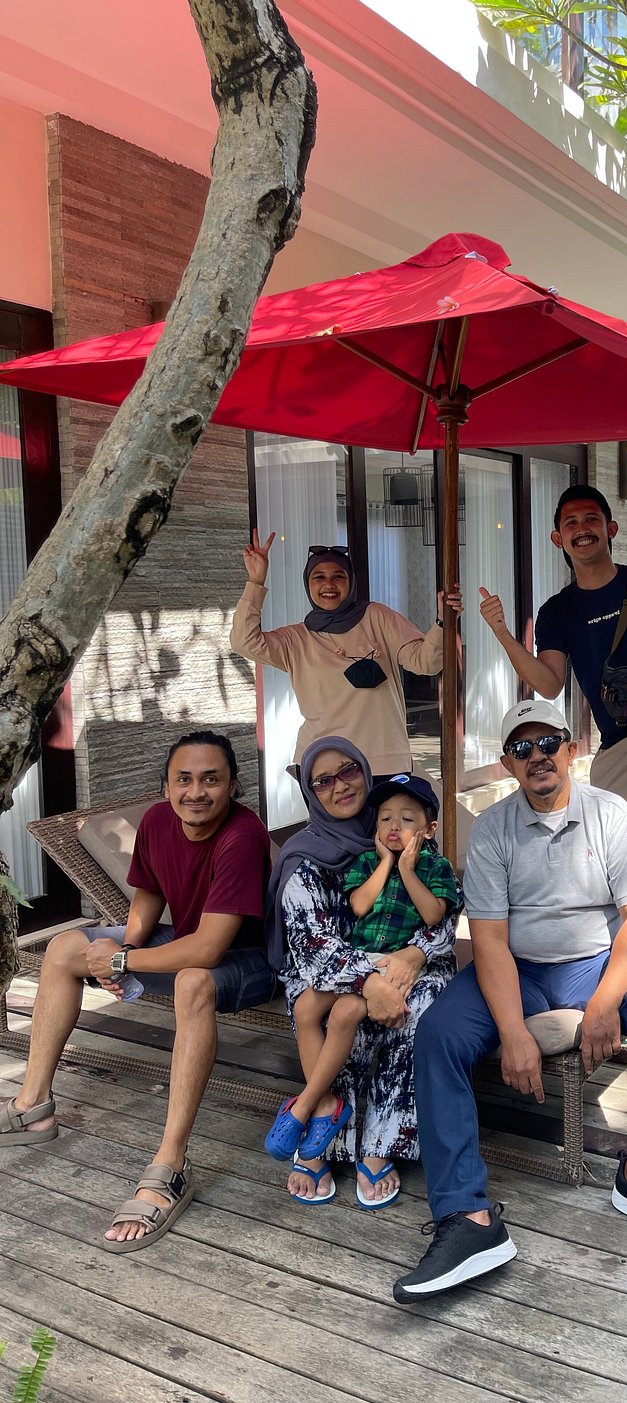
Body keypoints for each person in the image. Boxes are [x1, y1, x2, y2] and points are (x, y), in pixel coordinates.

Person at [394, 699, 627, 1304]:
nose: (537, 757)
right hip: (520, 969)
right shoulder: (493, 830)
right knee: (438, 1033)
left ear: (570, 749)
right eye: (522, 749)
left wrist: (604, 1005)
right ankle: (467, 1217)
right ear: (509, 764)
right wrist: (514, 1031)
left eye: (547, 744)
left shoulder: (610, 813)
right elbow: (488, 939)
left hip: (596, 963)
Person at [0, 731, 274, 1251]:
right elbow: (148, 893)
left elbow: (209, 949)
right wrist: (123, 948)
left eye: (211, 779)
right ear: (166, 787)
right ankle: (33, 1105)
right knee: (64, 947)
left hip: (254, 961)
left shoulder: (243, 834)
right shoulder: (155, 821)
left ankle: (170, 1164)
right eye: (183, 779)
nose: (196, 792)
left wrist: (122, 960)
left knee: (192, 981)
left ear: (233, 786)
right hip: (187, 941)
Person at [478, 485, 627, 905]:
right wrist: (501, 632)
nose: (582, 528)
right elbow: (549, 684)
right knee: (619, 852)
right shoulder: (557, 611)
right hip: (622, 740)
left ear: (611, 529)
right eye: (571, 522)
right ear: (558, 538)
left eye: (591, 519)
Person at [267, 739, 457, 1209]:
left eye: (349, 770)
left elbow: (445, 918)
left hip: (401, 961)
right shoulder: (305, 858)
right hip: (323, 970)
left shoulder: (404, 839)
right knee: (323, 1008)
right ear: (310, 793)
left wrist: (414, 954)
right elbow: (311, 947)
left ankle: (379, 1143)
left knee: (418, 1007)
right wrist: (370, 981)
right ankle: (323, 1130)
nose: (340, 786)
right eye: (322, 781)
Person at [231, 532, 463, 772]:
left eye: (339, 576)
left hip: (383, 761)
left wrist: (442, 622)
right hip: (323, 766)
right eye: (319, 577)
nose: (329, 584)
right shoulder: (296, 639)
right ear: (308, 584)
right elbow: (243, 642)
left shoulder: (376, 618)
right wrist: (256, 582)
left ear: (351, 581)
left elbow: (426, 663)